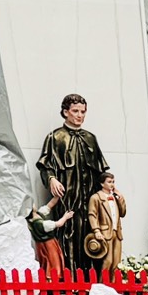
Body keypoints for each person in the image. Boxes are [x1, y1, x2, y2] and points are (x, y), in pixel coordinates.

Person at [35, 94, 110, 273]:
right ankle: (68, 276)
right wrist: (52, 179)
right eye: (75, 111)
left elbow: (101, 171)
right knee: (68, 234)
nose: (79, 115)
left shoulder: (91, 138)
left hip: (90, 198)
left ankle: (91, 277)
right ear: (65, 112)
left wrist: (107, 192)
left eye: (83, 112)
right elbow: (45, 165)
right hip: (67, 197)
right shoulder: (55, 137)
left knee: (91, 232)